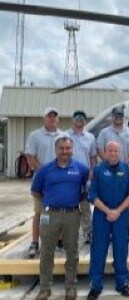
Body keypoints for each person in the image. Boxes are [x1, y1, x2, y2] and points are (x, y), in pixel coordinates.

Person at [31, 136, 89, 300]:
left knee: (72, 252)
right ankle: (44, 288)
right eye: (62, 148)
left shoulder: (81, 169)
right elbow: (35, 191)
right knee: (46, 253)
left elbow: (86, 189)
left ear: (72, 149)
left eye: (68, 148)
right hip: (50, 215)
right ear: (56, 150)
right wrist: (49, 202)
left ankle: (71, 287)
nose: (65, 151)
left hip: (72, 215)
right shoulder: (45, 170)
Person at [87, 141, 129, 300]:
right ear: (105, 152)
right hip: (101, 215)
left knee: (121, 248)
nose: (113, 153)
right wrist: (108, 211)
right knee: (98, 250)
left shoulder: (128, 170)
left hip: (121, 214)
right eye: (109, 150)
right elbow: (93, 195)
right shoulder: (98, 170)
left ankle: (122, 283)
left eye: (115, 150)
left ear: (120, 151)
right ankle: (95, 285)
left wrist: (117, 211)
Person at [25, 107, 63, 258]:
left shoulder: (63, 135)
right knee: (39, 212)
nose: (52, 118)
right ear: (44, 119)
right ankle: (35, 241)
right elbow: (30, 158)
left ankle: (59, 240)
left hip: (59, 181)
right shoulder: (35, 136)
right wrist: (45, 173)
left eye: (55, 116)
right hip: (41, 181)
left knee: (59, 211)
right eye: (49, 116)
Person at [67, 110, 97, 244]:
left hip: (84, 176)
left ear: (85, 121)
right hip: (68, 176)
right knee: (69, 206)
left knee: (85, 206)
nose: (79, 120)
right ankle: (67, 234)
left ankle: (87, 232)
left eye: (82, 118)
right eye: (77, 117)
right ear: (72, 120)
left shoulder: (90, 137)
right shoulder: (64, 135)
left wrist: (91, 174)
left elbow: (93, 157)